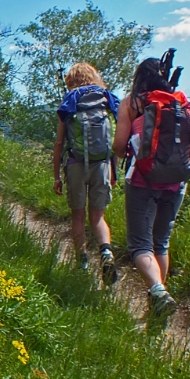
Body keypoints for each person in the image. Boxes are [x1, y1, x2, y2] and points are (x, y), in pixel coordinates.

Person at [113, 58, 186, 319]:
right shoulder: (178, 100)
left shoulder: (131, 103)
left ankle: (158, 292)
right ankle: (157, 305)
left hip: (142, 180)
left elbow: (119, 146)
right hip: (177, 181)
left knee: (140, 245)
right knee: (161, 244)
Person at [52, 63, 119, 282]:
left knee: (78, 215)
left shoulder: (70, 101)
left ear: (71, 80)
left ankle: (81, 262)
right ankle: (106, 252)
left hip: (76, 164)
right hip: (101, 164)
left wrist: (56, 176)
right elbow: (113, 141)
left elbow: (60, 142)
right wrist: (113, 171)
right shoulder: (105, 99)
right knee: (98, 216)